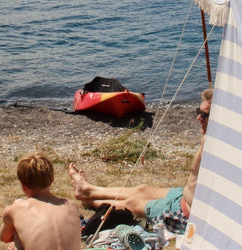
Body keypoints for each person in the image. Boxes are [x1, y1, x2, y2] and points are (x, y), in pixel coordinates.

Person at [70, 88, 212, 228]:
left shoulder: (212, 144)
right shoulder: (210, 139)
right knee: (143, 190)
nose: (198, 117)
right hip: (182, 194)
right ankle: (88, 190)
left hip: (185, 212)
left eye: (204, 115)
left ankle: (91, 202)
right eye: (198, 112)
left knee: (133, 203)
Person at [0, 153, 89, 250]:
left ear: (23, 185)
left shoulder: (14, 210)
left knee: (18, 242)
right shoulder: (72, 207)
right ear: (52, 179)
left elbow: (5, 237)